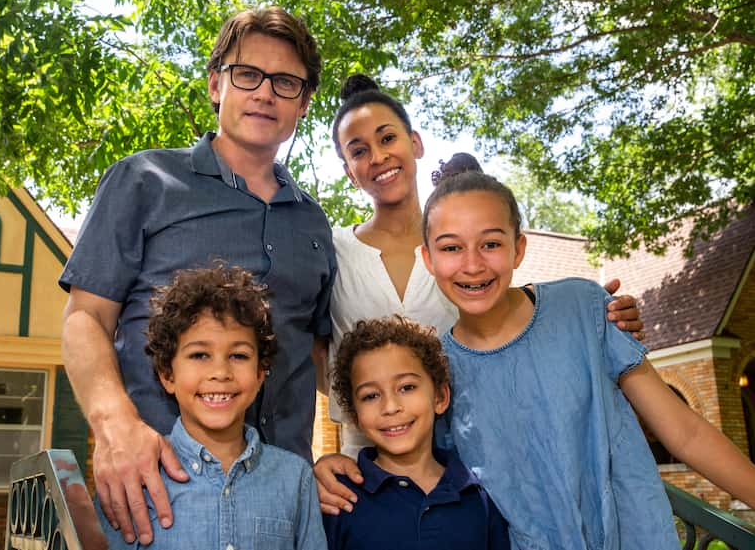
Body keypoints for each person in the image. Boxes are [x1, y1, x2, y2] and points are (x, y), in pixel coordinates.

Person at [318, 166, 755, 549]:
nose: (472, 265)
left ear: (518, 248)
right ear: (429, 259)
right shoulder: (439, 369)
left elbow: (685, 432)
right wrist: (329, 467)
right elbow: (410, 460)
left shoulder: (583, 308)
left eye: (490, 244)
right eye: (451, 248)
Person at [59, 7, 336, 545]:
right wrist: (114, 425)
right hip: (155, 495)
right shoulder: (143, 181)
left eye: (285, 82)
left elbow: (321, 357)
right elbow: (84, 318)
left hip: (282, 507)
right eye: (246, 74)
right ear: (216, 84)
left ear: (302, 103)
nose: (264, 93)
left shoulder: (315, 222)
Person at [323, 73, 644, 460]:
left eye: (388, 138)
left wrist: (597, 319)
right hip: (366, 460)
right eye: (358, 151)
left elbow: (511, 322)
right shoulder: (333, 250)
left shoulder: (464, 247)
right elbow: (310, 347)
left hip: (476, 452)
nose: (377, 157)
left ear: (415, 142)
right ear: (348, 172)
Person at [97, 265, 327, 549]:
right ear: (168, 375)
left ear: (259, 375)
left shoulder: (295, 479)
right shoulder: (136, 478)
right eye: (200, 354)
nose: (220, 371)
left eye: (239, 355)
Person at [323, 315, 509, 550]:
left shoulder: (478, 498)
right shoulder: (338, 498)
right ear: (354, 416)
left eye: (407, 387)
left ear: (440, 398)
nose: (390, 407)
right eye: (371, 396)